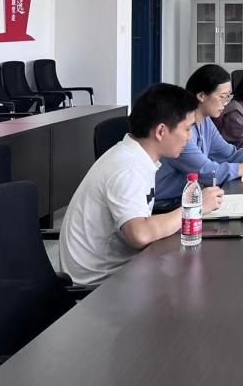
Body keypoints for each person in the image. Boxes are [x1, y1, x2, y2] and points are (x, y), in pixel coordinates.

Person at [59, 83, 225, 285]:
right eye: (187, 129)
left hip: (123, 269)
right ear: (161, 131)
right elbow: (140, 234)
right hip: (100, 286)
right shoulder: (128, 168)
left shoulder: (137, 157)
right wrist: (195, 207)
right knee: (203, 280)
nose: (190, 137)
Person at [153, 65, 243, 209]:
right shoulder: (181, 132)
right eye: (222, 97)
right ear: (201, 96)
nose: (226, 103)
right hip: (166, 205)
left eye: (228, 97)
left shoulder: (205, 121)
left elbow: (230, 154)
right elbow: (212, 173)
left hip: (186, 196)